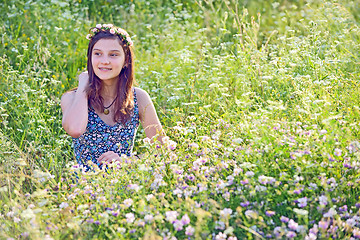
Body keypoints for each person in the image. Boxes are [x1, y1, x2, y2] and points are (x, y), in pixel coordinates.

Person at [61, 24, 164, 170]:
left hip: (124, 186)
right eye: (97, 54)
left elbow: (162, 148)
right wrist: (84, 85)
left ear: (126, 60)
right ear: (90, 58)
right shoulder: (72, 97)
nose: (104, 61)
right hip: (85, 187)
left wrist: (128, 161)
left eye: (113, 54)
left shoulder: (138, 97)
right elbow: (75, 130)